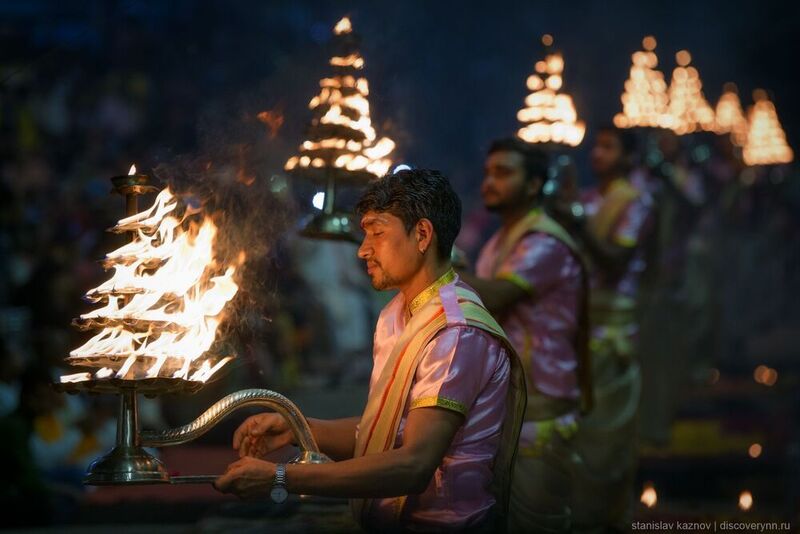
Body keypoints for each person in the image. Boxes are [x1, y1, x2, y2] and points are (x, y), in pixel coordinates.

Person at [215, 169, 526, 532]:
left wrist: (281, 477)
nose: (363, 249)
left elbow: (413, 465)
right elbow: (383, 433)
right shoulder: (397, 313)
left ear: (422, 235)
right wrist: (297, 428)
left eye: (377, 233)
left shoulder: (456, 332)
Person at [458, 138, 590, 533]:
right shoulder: (500, 240)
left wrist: (436, 267)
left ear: (534, 184)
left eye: (503, 173)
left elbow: (497, 295)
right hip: (513, 399)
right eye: (488, 173)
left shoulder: (543, 241)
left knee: (537, 522)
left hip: (541, 402)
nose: (489, 182)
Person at [552, 125, 654, 532]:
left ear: (629, 157)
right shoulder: (588, 199)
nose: (597, 153)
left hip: (612, 335)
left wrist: (577, 222)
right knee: (574, 434)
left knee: (605, 442)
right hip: (575, 329)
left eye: (609, 147)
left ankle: (604, 521)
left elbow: (614, 262)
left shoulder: (636, 202)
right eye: (596, 146)